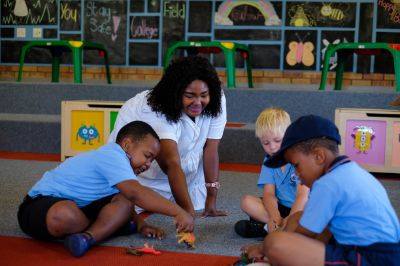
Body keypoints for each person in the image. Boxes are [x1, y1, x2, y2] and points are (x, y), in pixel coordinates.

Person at [17, 121, 194, 258]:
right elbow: (136, 193)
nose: (148, 165)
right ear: (127, 145)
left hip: (82, 206)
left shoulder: (121, 168)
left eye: (151, 161)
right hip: (39, 204)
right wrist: (178, 212)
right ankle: (110, 226)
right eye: (147, 156)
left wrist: (142, 225)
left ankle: (87, 238)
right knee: (66, 215)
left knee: (123, 199)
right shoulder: (112, 154)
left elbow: (127, 198)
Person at [245, 115, 400, 265]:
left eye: (297, 166)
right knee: (297, 218)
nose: (298, 176)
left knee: (275, 243)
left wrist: (262, 248)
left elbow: (302, 236)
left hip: (370, 257)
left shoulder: (327, 184)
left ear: (319, 156)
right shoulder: (350, 171)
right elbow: (323, 229)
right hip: (382, 254)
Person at [108, 56, 227, 219]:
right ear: (175, 93)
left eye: (203, 95)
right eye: (190, 95)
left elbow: (211, 148)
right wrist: (188, 214)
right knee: (122, 215)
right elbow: (171, 163)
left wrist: (211, 198)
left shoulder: (216, 97)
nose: (198, 102)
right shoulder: (153, 109)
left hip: (186, 181)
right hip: (144, 182)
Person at [235, 107, 309, 238]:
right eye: (266, 143)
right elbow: (269, 194)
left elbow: (301, 196)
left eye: (277, 140)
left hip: (301, 208)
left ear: (288, 136)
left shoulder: (299, 159)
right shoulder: (268, 160)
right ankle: (276, 227)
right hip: (280, 207)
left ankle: (266, 229)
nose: (272, 147)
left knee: (312, 215)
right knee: (246, 201)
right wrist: (275, 217)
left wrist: (291, 219)